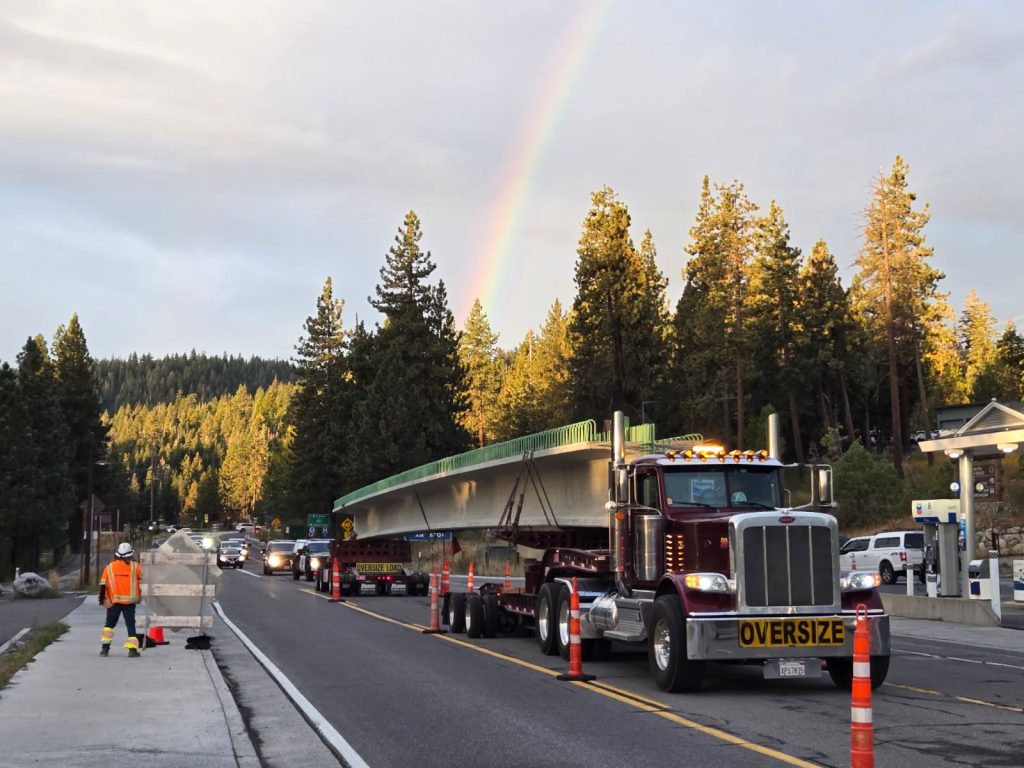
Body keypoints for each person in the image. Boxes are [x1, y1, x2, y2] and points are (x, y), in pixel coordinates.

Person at [98, 542, 143, 657]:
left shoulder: (109, 567)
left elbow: (102, 585)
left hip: (113, 602)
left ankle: (105, 650)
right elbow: (143, 581)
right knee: (130, 626)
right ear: (130, 555)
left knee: (109, 626)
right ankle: (132, 651)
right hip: (130, 602)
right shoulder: (136, 567)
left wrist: (102, 599)